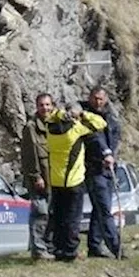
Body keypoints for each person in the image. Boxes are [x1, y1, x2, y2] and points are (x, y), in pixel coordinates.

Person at [45, 102, 108, 262]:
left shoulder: (49, 129)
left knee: (59, 217)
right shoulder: (76, 130)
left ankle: (57, 249)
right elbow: (101, 124)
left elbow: (52, 115)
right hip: (74, 180)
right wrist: (83, 114)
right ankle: (70, 251)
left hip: (56, 179)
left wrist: (61, 113)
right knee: (73, 218)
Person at [82, 86, 124, 259]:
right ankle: (117, 248)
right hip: (94, 169)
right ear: (90, 98)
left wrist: (112, 155)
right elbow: (94, 138)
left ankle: (94, 246)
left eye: (101, 99)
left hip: (108, 170)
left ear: (105, 99)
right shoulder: (85, 117)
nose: (98, 102)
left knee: (99, 209)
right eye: (95, 98)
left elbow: (115, 138)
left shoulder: (111, 118)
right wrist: (105, 153)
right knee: (105, 209)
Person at [20, 93, 55, 261]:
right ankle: (38, 250)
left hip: (54, 178)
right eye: (42, 105)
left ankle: (49, 247)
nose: (45, 108)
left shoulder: (55, 125)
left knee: (51, 214)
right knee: (40, 214)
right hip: (40, 180)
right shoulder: (31, 127)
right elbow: (29, 156)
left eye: (48, 105)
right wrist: (36, 177)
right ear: (37, 106)